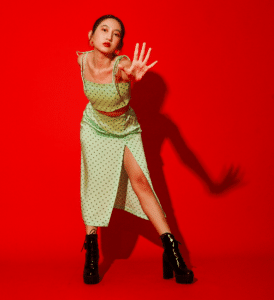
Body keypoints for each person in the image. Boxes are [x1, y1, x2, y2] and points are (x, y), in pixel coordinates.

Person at [77, 15, 193, 285]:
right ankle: (91, 253)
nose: (109, 36)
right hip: (94, 127)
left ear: (119, 45)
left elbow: (126, 71)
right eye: (104, 30)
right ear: (91, 36)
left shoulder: (122, 64)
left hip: (124, 129)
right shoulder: (81, 60)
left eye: (116, 34)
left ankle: (172, 251)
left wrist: (132, 76)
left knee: (141, 182)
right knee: (93, 184)